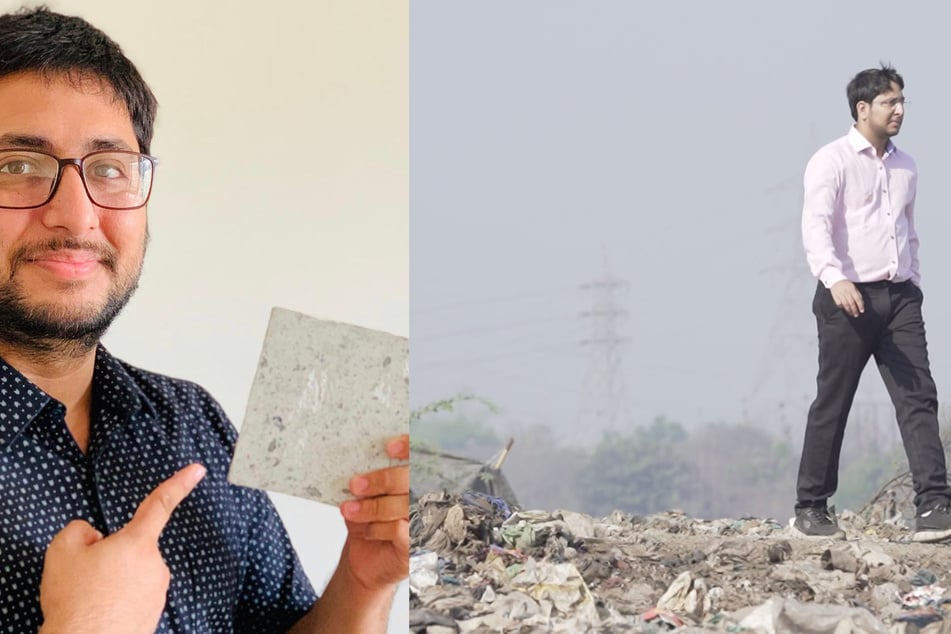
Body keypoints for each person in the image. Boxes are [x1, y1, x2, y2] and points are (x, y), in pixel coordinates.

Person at [0, 6, 408, 632]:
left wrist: (363, 580)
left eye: (109, 169)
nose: (77, 217)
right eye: (19, 167)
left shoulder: (192, 423)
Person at [797, 63, 951, 543]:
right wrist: (834, 278)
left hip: (900, 298)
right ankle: (811, 507)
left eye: (902, 101)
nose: (900, 110)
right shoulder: (832, 160)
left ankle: (934, 506)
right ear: (862, 109)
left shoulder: (906, 165)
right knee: (835, 402)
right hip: (847, 297)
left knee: (919, 398)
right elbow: (815, 227)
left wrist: (915, 285)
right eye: (890, 102)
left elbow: (908, 230)